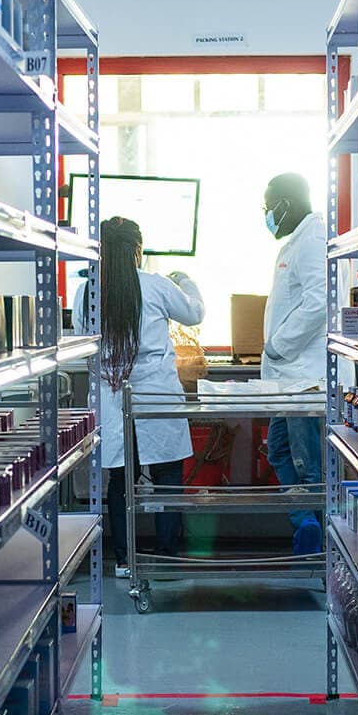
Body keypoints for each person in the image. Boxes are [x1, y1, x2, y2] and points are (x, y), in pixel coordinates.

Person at [73, 216, 205, 577]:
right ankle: (166, 556)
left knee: (120, 479)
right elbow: (194, 313)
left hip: (112, 395)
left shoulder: (87, 292)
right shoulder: (156, 285)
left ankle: (124, 559)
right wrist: (186, 281)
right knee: (167, 476)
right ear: (136, 250)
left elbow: (83, 340)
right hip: (156, 393)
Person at [261, 173, 327, 555]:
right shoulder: (297, 241)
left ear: (285, 203)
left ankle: (316, 544)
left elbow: (318, 304)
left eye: (269, 206)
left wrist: (278, 346)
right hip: (288, 377)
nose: (267, 214)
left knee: (304, 462)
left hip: (303, 376)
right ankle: (306, 521)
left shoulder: (312, 239)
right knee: (280, 453)